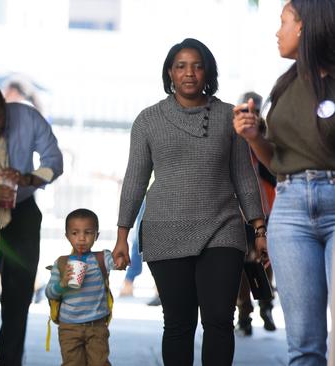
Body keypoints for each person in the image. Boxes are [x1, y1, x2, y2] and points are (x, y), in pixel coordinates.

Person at [112, 38, 266, 366]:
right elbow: (135, 180)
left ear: (207, 71)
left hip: (222, 229)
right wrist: (122, 236)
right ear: (169, 72)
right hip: (165, 231)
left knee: (219, 321)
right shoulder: (148, 120)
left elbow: (244, 176)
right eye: (181, 66)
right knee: (179, 324)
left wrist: (259, 227)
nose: (189, 73)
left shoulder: (229, 117)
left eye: (197, 65)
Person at [233, 1, 335, 363]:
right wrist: (253, 137)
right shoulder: (285, 86)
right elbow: (276, 162)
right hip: (291, 209)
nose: (278, 31)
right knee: (304, 344)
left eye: (284, 22)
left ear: (305, 26)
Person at [0, 83, 63, 366]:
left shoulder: (28, 117)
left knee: (18, 295)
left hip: (22, 212)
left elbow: (54, 161)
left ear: (5, 108)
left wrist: (29, 178)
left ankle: (11, 360)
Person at [45, 208, 116, 366]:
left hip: (97, 326)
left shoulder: (102, 258)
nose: (81, 238)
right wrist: (62, 284)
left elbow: (119, 262)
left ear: (96, 235)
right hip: (69, 327)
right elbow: (50, 293)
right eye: (75, 233)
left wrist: (121, 256)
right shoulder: (61, 263)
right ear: (67, 236)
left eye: (88, 233)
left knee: (100, 363)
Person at [234, 91, 277, 337]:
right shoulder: (234, 137)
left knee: (264, 259)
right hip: (240, 211)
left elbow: (276, 169)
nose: (251, 114)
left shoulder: (268, 135)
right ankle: (245, 314)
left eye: (255, 110)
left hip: (268, 208)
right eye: (245, 110)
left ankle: (265, 306)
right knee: (242, 263)